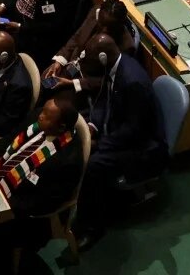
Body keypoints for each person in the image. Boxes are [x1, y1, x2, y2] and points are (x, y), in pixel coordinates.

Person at [70, 34, 168, 250]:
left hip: (144, 148)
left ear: (103, 57)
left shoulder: (133, 81)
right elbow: (105, 101)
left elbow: (134, 131)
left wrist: (100, 144)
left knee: (94, 165)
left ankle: (92, 228)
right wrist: (93, 126)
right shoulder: (115, 67)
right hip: (121, 133)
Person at [0, 95, 88, 269]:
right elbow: (9, 140)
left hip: (22, 216)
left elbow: (43, 203)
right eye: (43, 110)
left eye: (46, 116)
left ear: (61, 128)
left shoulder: (68, 161)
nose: (40, 116)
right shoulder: (38, 121)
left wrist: (2, 206)